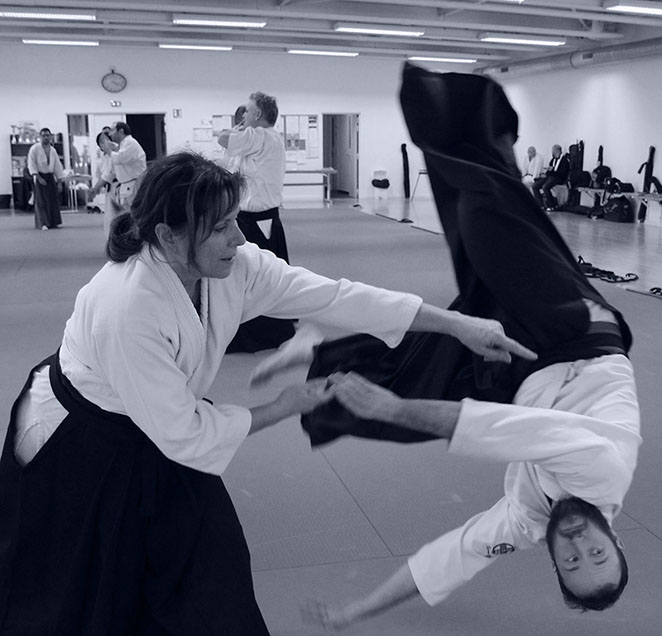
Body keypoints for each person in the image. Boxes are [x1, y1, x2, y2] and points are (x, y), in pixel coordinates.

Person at [0, 151, 534, 635]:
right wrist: (283, 406)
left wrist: (457, 325)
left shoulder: (233, 267)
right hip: (85, 442)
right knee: (83, 591)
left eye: (235, 220)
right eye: (220, 227)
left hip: (163, 425)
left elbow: (336, 297)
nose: (239, 238)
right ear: (168, 236)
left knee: (212, 574)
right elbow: (184, 434)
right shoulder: (128, 305)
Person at [298, 63, 640, 630]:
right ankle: (474, 114)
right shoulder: (603, 473)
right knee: (484, 215)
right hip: (575, 335)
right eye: (597, 554)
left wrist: (353, 613)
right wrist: (398, 412)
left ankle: (313, 352)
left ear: (554, 563)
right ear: (616, 539)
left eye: (573, 562)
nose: (580, 545)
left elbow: (451, 560)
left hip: (520, 369)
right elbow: (511, 431)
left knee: (408, 372)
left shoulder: (528, 522)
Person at [218, 91, 295, 352]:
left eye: (248, 111)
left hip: (260, 222)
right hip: (248, 218)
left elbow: (223, 138)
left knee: (258, 277)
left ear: (258, 114)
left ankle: (263, 332)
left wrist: (236, 129)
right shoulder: (258, 139)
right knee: (250, 275)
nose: (244, 116)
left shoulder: (262, 136)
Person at [100, 121, 147, 209]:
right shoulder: (122, 145)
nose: (110, 134)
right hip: (126, 186)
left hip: (133, 186)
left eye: (112, 130)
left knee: (131, 212)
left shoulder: (131, 143)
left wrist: (108, 150)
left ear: (121, 131)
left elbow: (120, 158)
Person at [26, 127, 64, 230]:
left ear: (51, 137)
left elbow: (57, 166)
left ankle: (53, 222)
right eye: (44, 136)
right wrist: (38, 177)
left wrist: (59, 182)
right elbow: (31, 164)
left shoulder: (53, 150)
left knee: (52, 199)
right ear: (40, 137)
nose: (46, 137)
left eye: (48, 135)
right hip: (39, 176)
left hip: (50, 176)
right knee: (41, 201)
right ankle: (43, 223)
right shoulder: (34, 149)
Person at [89, 130, 118, 235]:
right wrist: (98, 188)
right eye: (101, 142)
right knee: (109, 218)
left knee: (116, 217)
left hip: (117, 187)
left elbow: (108, 174)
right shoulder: (102, 158)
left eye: (105, 140)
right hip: (108, 188)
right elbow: (100, 175)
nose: (104, 144)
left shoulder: (116, 154)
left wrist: (95, 189)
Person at [531, 144, 570, 210]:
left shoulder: (564, 161)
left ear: (557, 151)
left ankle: (551, 205)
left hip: (558, 178)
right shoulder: (553, 160)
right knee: (535, 186)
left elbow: (562, 173)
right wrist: (545, 174)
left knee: (545, 187)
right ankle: (540, 205)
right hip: (550, 177)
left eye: (553, 151)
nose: (552, 152)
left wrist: (552, 171)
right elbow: (549, 171)